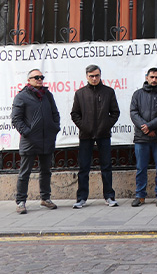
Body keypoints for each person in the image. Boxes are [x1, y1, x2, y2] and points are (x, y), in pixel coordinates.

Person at [71, 64, 121, 209]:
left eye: (97, 75)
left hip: (103, 134)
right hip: (86, 135)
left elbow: (115, 112)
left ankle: (109, 196)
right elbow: (75, 114)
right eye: (91, 76)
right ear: (86, 76)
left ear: (100, 76)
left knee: (106, 166)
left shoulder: (108, 92)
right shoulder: (80, 93)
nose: (94, 78)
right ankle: (81, 198)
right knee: (84, 167)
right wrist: (84, 126)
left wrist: (105, 125)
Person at [11, 68, 61, 214]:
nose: (40, 79)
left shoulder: (47, 95)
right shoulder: (21, 97)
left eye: (41, 77)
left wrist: (54, 128)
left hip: (47, 139)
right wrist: (27, 132)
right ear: (29, 80)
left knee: (46, 171)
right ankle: (21, 201)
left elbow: (55, 113)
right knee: (24, 172)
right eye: (36, 77)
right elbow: (16, 119)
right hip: (30, 140)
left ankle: (45, 198)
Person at [130, 67, 157, 207]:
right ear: (146, 77)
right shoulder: (137, 94)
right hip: (141, 138)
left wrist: (151, 126)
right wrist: (146, 129)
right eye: (152, 77)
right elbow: (133, 113)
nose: (154, 80)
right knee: (141, 167)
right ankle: (140, 195)